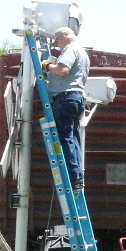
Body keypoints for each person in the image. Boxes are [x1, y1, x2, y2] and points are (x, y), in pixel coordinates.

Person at [42, 26, 89, 191]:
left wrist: (47, 66)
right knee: (73, 138)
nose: (57, 45)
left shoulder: (70, 48)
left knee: (65, 138)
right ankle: (77, 177)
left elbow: (63, 70)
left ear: (63, 37)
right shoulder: (83, 52)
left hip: (66, 97)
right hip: (77, 98)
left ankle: (72, 177)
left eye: (57, 41)